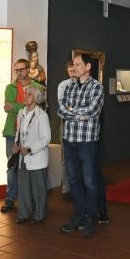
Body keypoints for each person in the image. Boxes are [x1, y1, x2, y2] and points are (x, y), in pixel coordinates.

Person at [57, 53, 104, 238]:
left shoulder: (96, 87)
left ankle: (91, 218)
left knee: (89, 181)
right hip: (69, 140)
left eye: (78, 64)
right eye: (74, 65)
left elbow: (92, 110)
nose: (74, 68)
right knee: (74, 180)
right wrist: (77, 114)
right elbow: (61, 109)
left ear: (87, 67)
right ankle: (79, 215)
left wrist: (71, 111)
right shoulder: (69, 86)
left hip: (87, 142)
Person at [1, 58, 45, 213]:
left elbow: (36, 107)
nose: (19, 72)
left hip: (31, 133)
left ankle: (30, 199)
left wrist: (15, 106)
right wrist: (24, 105)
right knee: (12, 165)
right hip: (12, 131)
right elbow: (8, 108)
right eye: (16, 70)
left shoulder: (38, 87)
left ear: (27, 70)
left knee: (29, 166)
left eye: (21, 69)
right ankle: (10, 198)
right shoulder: (10, 87)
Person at [13, 85, 51, 224]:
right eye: (25, 93)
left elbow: (46, 138)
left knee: (38, 189)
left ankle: (39, 215)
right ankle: (23, 213)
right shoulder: (21, 112)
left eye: (29, 94)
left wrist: (30, 149)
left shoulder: (42, 115)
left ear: (36, 97)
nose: (25, 96)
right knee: (23, 188)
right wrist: (16, 144)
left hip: (37, 157)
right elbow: (19, 131)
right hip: (23, 157)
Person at [57, 61, 77, 202]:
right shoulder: (63, 85)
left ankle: (78, 187)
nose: (72, 73)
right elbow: (63, 107)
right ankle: (66, 189)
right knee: (65, 159)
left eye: (74, 70)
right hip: (66, 125)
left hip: (81, 127)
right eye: (70, 71)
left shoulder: (85, 85)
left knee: (81, 158)